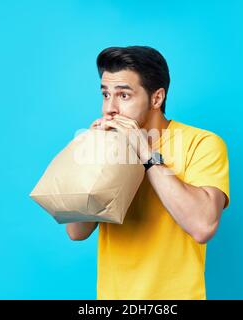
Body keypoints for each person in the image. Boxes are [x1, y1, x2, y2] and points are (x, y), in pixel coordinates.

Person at [66, 46, 230, 300]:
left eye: (123, 96)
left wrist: (145, 152)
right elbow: (77, 231)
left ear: (156, 98)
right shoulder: (109, 147)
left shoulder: (203, 143)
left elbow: (202, 226)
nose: (109, 108)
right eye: (105, 94)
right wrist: (94, 158)